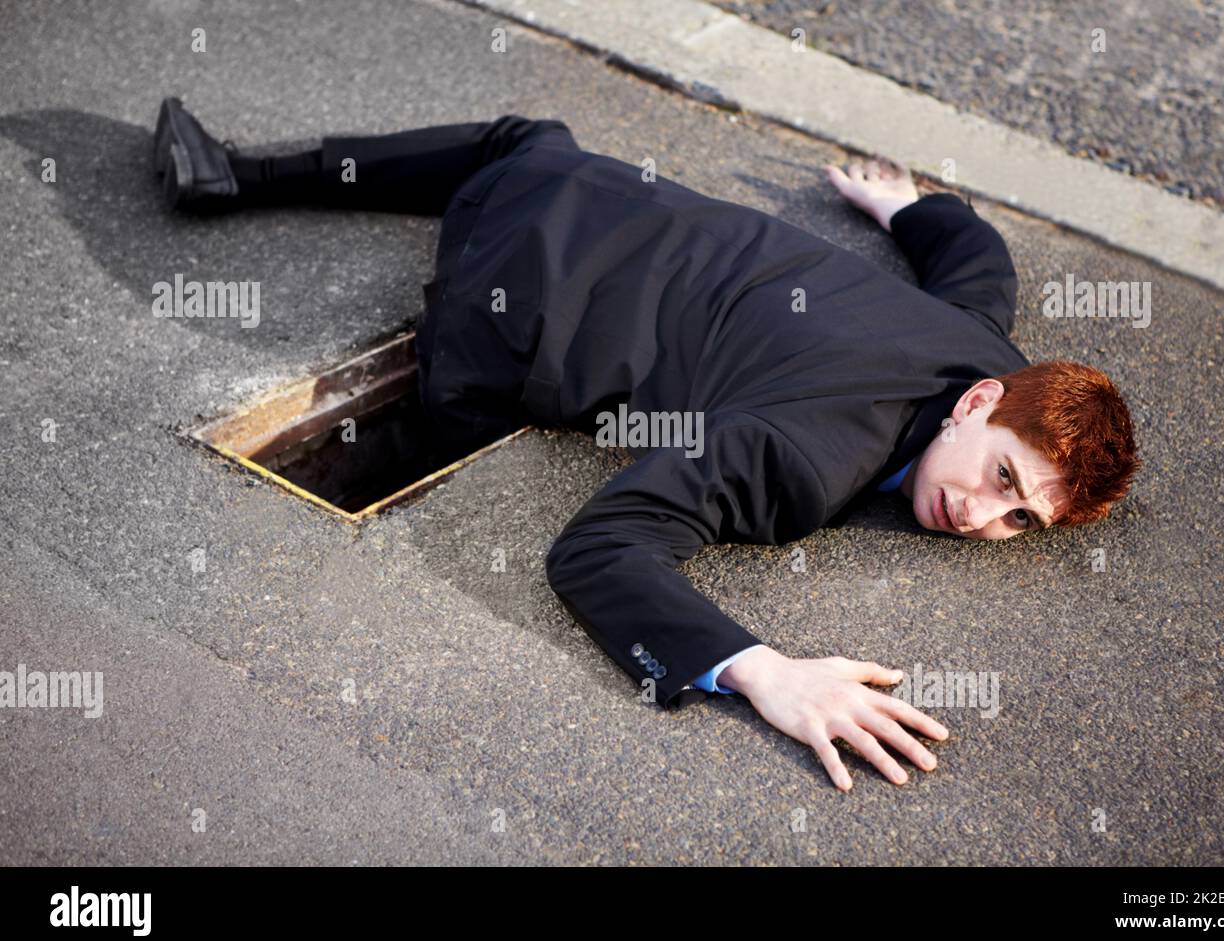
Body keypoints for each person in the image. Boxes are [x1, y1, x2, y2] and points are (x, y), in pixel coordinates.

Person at [153, 99, 1140, 790]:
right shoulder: (807, 458)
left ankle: (236, 169)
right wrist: (763, 670)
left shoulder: (980, 344)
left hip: (581, 189)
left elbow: (973, 259)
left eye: (1020, 517)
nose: (977, 514)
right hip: (504, 316)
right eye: (1000, 476)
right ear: (978, 402)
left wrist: (909, 205)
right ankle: (263, 214)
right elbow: (598, 546)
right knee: (461, 429)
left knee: (521, 139)